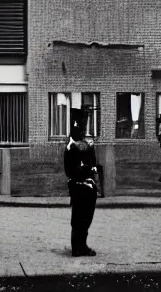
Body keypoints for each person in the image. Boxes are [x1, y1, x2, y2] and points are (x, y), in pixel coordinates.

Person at [64, 107, 98, 257]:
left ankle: (81, 244)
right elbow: (72, 170)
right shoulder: (71, 146)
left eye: (81, 125)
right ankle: (77, 247)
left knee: (86, 217)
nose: (80, 129)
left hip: (88, 185)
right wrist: (88, 170)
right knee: (79, 217)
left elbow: (93, 162)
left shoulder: (86, 144)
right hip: (79, 185)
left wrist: (91, 169)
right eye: (77, 125)